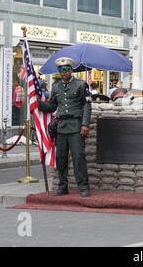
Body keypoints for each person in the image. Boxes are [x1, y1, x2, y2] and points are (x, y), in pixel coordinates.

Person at [37, 57, 92, 198]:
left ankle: (83, 187)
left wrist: (85, 124)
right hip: (61, 127)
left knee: (78, 157)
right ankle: (62, 187)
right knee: (61, 158)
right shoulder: (56, 87)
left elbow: (87, 105)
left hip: (75, 126)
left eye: (66, 70)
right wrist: (37, 103)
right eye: (61, 70)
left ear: (71, 70)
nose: (64, 73)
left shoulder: (81, 85)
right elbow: (52, 106)